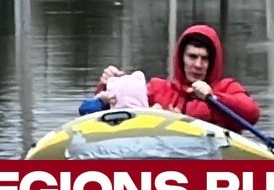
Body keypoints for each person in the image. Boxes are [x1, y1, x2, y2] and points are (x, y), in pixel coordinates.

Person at [93, 24, 259, 133]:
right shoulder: (158, 88)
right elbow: (113, 110)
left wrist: (213, 98)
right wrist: (106, 86)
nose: (198, 65)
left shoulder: (227, 88)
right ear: (181, 59)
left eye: (205, 59)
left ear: (212, 62)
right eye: (192, 57)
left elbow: (251, 114)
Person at [79, 70, 149, 115]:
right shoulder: (150, 114)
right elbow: (84, 109)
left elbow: (84, 110)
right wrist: (102, 100)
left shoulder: (151, 112)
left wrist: (102, 100)